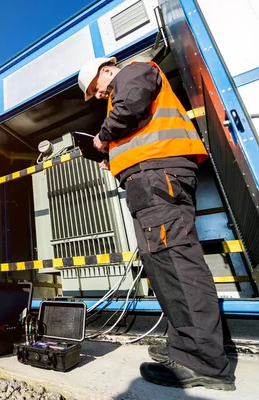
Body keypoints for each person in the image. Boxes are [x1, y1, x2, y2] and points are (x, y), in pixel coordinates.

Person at [77, 57, 235, 391]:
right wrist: (115, 158)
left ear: (105, 70)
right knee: (163, 264)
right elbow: (136, 123)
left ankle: (204, 361)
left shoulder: (133, 71)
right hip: (150, 178)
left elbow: (131, 104)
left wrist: (103, 138)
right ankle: (184, 345)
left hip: (157, 176)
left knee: (176, 262)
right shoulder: (128, 87)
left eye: (97, 89)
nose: (100, 94)